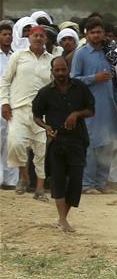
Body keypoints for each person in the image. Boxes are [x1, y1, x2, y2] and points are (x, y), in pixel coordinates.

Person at [31, 56, 94, 232]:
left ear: (68, 69)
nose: (60, 73)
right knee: (58, 179)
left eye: (63, 69)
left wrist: (76, 114)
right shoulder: (45, 93)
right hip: (56, 141)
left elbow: (91, 110)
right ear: (52, 71)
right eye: (57, 70)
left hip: (77, 140)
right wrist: (46, 127)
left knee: (75, 179)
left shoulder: (80, 88)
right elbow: (36, 115)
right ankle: (62, 219)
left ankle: (63, 218)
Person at [70, 19, 117, 195]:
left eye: (99, 32)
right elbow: (74, 79)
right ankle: (87, 185)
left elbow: (113, 81)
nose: (96, 35)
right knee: (91, 145)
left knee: (108, 144)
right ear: (87, 35)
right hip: (90, 106)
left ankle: (101, 183)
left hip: (108, 105)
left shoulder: (109, 53)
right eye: (92, 33)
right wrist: (94, 78)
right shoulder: (82, 54)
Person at [1, 25, 53, 198]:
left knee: (41, 150)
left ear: (45, 38)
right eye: (35, 35)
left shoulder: (51, 60)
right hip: (19, 109)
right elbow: (5, 80)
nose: (38, 38)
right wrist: (4, 103)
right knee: (15, 144)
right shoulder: (18, 56)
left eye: (41, 36)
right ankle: (24, 176)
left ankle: (39, 188)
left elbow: (55, 87)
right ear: (29, 38)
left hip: (42, 113)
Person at [0, 22, 18, 190]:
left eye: (9, 34)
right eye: (4, 34)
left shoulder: (16, 56)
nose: (7, 37)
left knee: (11, 141)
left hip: (13, 103)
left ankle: (10, 180)